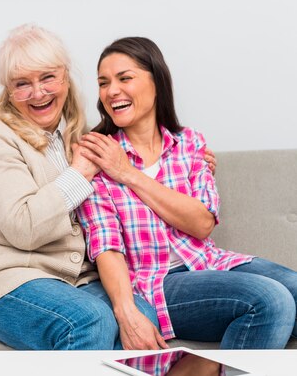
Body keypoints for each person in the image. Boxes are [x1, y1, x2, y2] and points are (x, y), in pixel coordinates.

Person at [0, 24, 167, 350]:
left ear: (65, 77)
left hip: (69, 278)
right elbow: (24, 227)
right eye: (22, 84)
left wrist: (193, 158)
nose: (38, 92)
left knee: (143, 314)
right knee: (89, 319)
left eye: (47, 77)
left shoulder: (78, 134)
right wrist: (80, 172)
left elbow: (126, 186)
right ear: (7, 91)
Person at [79, 36, 297, 350]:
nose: (111, 91)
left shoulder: (189, 143)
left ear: (157, 83)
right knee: (270, 300)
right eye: (103, 82)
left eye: (125, 78)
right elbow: (106, 246)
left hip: (207, 261)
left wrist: (128, 173)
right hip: (154, 282)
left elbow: (202, 223)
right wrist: (125, 312)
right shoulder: (97, 154)